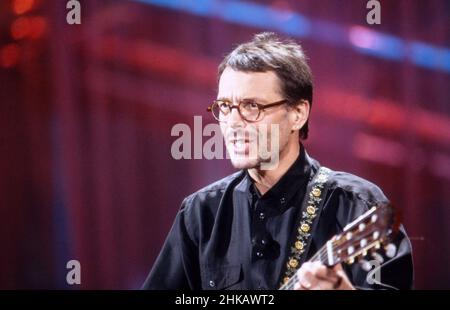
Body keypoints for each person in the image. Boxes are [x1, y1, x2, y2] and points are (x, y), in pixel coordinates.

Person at [142, 32, 413, 290]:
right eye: (225, 107)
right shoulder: (201, 213)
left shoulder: (358, 206)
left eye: (252, 106)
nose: (233, 122)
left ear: (298, 113)